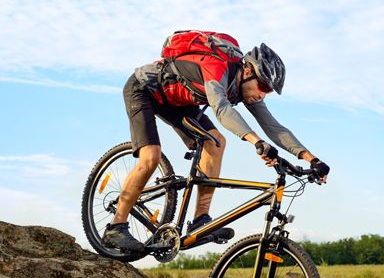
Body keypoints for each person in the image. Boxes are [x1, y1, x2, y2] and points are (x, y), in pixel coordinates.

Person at [102, 37, 330, 252]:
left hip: (178, 102)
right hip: (144, 90)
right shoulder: (216, 68)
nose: (263, 95)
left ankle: (200, 222)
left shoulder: (248, 89)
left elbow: (273, 127)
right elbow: (222, 109)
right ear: (248, 71)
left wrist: (312, 159)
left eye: (268, 91)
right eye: (263, 86)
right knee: (151, 157)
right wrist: (256, 142)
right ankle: (116, 226)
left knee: (216, 143)